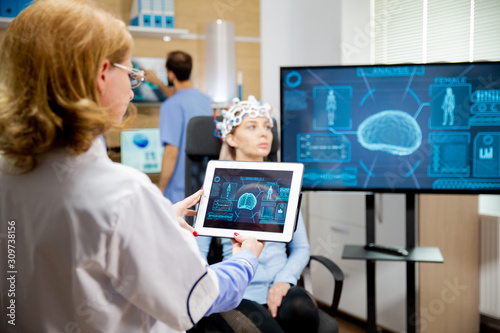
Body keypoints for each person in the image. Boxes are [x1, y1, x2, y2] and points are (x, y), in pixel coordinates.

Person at [0, 1, 264, 332]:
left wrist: (160, 217)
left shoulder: (8, 172)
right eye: (132, 75)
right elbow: (198, 298)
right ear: (101, 75)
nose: (131, 89)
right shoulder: (123, 194)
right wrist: (246, 259)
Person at [195, 96, 320, 333]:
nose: (264, 134)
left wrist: (285, 280)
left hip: (280, 284)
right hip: (237, 290)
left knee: (303, 310)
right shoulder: (216, 188)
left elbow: (301, 248)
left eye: (267, 126)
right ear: (231, 138)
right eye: (252, 126)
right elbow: (197, 254)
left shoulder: (285, 184)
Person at [156, 51, 213, 203]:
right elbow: (181, 97)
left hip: (178, 194)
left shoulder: (171, 105)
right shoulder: (205, 101)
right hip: (201, 188)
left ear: (171, 75)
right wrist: (158, 84)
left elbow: (171, 152)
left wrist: (160, 189)